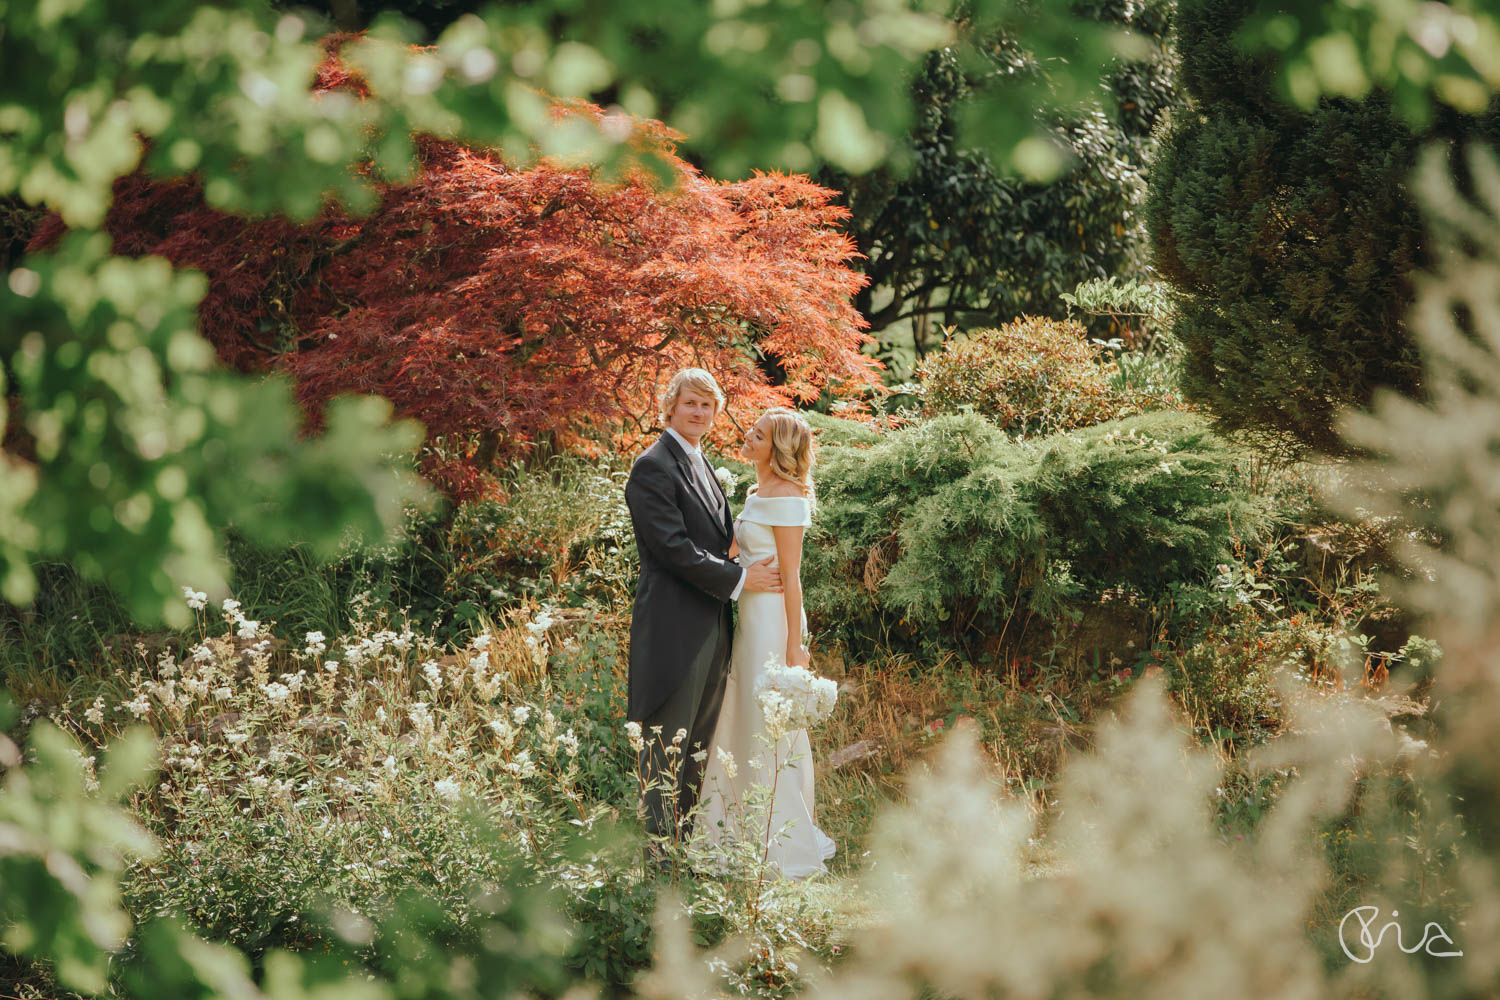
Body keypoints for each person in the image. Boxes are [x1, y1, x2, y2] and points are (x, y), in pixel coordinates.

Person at [623, 368, 782, 868]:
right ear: (670, 406)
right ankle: (658, 863)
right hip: (674, 627)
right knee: (667, 744)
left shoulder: (700, 462)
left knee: (698, 745)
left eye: (708, 406)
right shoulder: (652, 466)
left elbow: (713, 539)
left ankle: (683, 852)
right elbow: (671, 547)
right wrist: (740, 581)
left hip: (713, 624)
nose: (699, 413)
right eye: (690, 403)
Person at [695, 406, 836, 880]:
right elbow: (735, 553)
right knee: (744, 715)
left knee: (768, 723)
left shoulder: (788, 497)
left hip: (775, 623)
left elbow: (793, 578)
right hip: (749, 618)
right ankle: (734, 828)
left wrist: (795, 647)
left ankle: (778, 840)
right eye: (751, 431)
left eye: (757, 435)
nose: (746, 438)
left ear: (776, 450)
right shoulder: (756, 493)